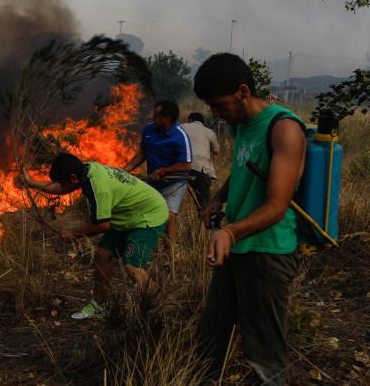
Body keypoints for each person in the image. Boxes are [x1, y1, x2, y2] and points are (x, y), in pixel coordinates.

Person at [192, 53, 307, 386]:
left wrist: (229, 230)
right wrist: (219, 199)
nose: (217, 115)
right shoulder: (242, 125)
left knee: (263, 356)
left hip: (267, 255)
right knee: (210, 337)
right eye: (211, 108)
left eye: (220, 105)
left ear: (243, 92)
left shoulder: (284, 128)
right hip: (238, 248)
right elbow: (244, 170)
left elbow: (277, 205)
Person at [22, 152, 169, 320]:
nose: (61, 187)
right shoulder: (86, 169)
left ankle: (160, 308)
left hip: (148, 216)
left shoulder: (98, 187)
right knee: (102, 254)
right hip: (129, 215)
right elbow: (63, 188)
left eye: (62, 182)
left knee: (132, 267)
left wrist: (75, 234)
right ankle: (99, 306)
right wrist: (31, 183)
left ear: (73, 179)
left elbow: (103, 225)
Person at [122, 100, 193, 240]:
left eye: (156, 115)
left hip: (174, 183)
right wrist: (126, 169)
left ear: (167, 119)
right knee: (138, 210)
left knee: (169, 215)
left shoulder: (180, 136)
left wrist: (163, 171)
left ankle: (170, 252)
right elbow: (143, 152)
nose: (152, 118)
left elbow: (186, 165)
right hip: (152, 180)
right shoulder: (149, 130)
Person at [180, 112, 221, 209]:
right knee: (204, 199)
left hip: (178, 167)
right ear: (202, 122)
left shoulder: (181, 127)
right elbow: (216, 151)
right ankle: (205, 218)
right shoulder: (209, 132)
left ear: (190, 120)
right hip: (199, 170)